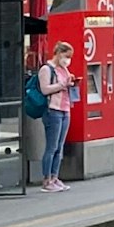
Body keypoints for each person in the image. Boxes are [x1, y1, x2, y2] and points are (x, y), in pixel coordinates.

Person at [37, 39, 78, 190]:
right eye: (67, 56)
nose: (68, 60)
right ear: (59, 54)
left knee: (59, 147)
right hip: (52, 110)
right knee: (51, 146)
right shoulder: (47, 69)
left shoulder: (63, 70)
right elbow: (45, 89)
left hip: (65, 109)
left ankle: (55, 177)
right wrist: (63, 85)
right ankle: (46, 180)